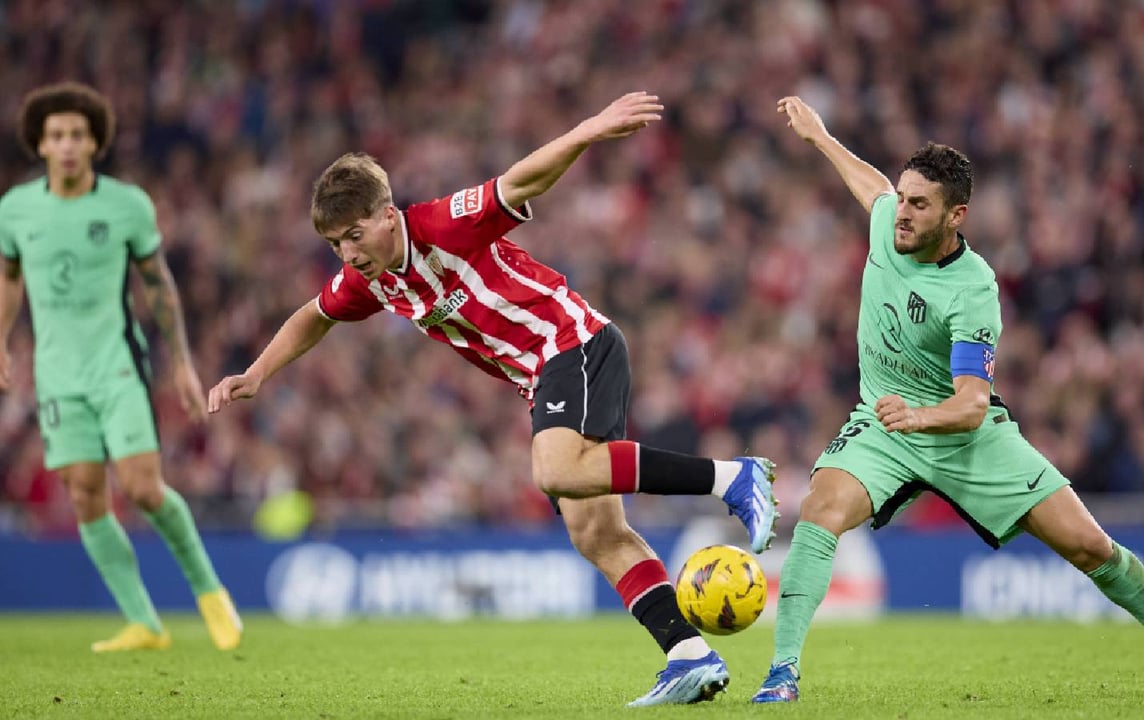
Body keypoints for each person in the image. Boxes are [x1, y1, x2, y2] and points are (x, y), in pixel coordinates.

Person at [206, 91, 780, 707]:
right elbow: (314, 316)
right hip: (542, 375)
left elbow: (519, 180)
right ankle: (688, 655)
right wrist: (258, 373)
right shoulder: (371, 280)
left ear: (388, 216)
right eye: (335, 245)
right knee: (594, 531)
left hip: (573, 342)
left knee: (554, 470)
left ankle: (732, 477)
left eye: (354, 235)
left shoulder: (442, 224)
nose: (347, 254)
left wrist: (586, 131)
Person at [750, 96, 1144, 702]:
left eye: (919, 205)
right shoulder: (888, 219)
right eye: (902, 198)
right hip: (884, 427)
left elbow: (972, 403)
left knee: (1090, 546)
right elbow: (869, 186)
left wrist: (919, 416)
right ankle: (782, 672)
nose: (902, 214)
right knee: (819, 511)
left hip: (965, 434)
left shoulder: (974, 290)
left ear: (956, 216)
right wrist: (819, 136)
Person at [0, 82, 242, 652]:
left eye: (77, 135)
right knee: (84, 494)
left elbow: (160, 284)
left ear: (94, 143)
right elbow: (9, 277)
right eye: (56, 135)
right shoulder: (15, 209)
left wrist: (181, 363)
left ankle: (211, 592)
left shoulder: (126, 205)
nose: (66, 145)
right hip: (56, 373)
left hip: (116, 365)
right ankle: (144, 622)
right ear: (40, 143)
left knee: (142, 488)